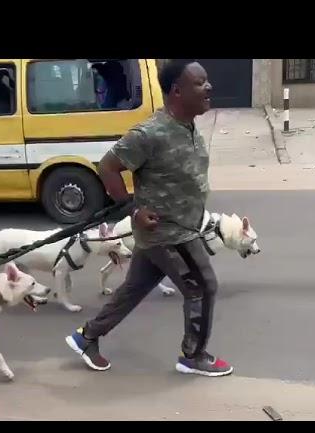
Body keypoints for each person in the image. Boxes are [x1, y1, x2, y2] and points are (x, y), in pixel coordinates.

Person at [65, 60, 233, 377]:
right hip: (169, 235)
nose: (208, 87)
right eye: (200, 83)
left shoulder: (188, 125)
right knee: (202, 286)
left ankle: (86, 336)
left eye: (207, 81)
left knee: (133, 289)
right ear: (177, 91)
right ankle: (193, 356)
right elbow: (107, 167)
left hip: (179, 228)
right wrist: (132, 211)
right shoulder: (150, 133)